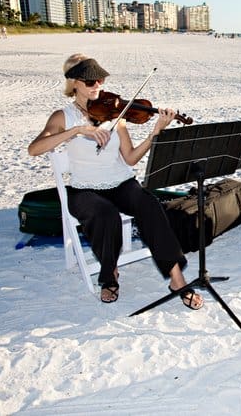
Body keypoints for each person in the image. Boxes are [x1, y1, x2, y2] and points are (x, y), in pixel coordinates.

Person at [28, 54, 203, 309]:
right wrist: (77, 130)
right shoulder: (63, 117)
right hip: (84, 190)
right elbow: (34, 149)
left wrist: (156, 132)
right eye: (90, 81)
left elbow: (131, 159)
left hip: (121, 183)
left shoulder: (115, 114)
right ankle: (109, 275)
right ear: (74, 83)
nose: (97, 85)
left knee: (150, 205)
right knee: (105, 214)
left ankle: (177, 279)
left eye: (100, 79)